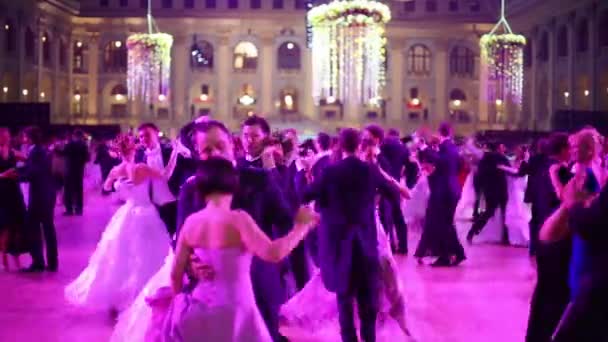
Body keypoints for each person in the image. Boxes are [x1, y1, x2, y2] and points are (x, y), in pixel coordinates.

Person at [111, 120, 297, 342]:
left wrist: (267, 253)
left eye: (220, 146)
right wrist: (190, 262)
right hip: (209, 295)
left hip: (257, 289)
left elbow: (286, 220)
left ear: (232, 145)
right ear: (198, 154)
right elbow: (180, 238)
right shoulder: (191, 189)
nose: (216, 153)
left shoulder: (259, 179)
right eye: (207, 150)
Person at [162, 157, 318, 341]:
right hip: (236, 308)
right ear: (233, 184)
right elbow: (274, 253)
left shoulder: (191, 224)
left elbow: (175, 275)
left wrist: (180, 303)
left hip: (200, 306)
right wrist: (301, 228)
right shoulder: (238, 219)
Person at [297, 128, 400, 342]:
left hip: (339, 245)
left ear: (340, 146)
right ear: (360, 145)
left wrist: (304, 175)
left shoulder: (330, 172)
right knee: (367, 302)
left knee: (344, 301)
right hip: (366, 244)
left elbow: (305, 196)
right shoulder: (369, 170)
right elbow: (392, 194)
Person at [64, 134, 178, 313]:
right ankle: (142, 295)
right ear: (133, 149)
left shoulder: (116, 170)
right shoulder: (141, 168)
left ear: (117, 152)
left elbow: (107, 188)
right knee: (146, 254)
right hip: (146, 212)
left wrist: (121, 186)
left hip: (126, 213)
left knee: (121, 255)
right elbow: (166, 174)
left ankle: (119, 296)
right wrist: (174, 154)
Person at [414, 123, 466, 267]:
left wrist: (424, 148)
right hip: (447, 190)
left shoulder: (448, 147)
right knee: (444, 224)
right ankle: (454, 254)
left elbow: (442, 161)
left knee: (442, 224)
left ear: (440, 132)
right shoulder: (449, 147)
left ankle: (447, 256)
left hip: (445, 192)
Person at [136, 123, 193, 236]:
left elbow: (188, 165)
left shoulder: (170, 150)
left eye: (147, 135)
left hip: (174, 200)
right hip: (154, 204)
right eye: (141, 136)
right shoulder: (139, 156)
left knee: (177, 234)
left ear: (157, 134)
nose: (144, 139)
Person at [19, 126, 58, 273]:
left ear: (30, 137)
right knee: (48, 228)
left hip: (40, 196)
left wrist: (16, 174)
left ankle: (38, 262)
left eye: (25, 137)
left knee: (33, 227)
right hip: (48, 193)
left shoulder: (36, 151)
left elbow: (33, 172)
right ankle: (52, 262)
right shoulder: (42, 150)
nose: (23, 139)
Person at [0, 128, 27, 270]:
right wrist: (4, 175)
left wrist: (19, 173)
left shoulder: (13, 152)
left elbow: (28, 160)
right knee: (5, 228)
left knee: (17, 226)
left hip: (14, 192)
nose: (6, 138)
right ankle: (4, 259)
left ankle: (17, 261)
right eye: (3, 136)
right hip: (2, 192)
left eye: (7, 136)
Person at [63, 130, 90, 216]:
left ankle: (69, 210)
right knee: (79, 190)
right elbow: (87, 158)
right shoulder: (84, 145)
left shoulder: (70, 144)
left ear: (74, 136)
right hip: (79, 170)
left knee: (68, 190)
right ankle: (79, 210)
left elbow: (63, 153)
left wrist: (55, 149)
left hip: (69, 170)